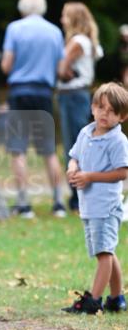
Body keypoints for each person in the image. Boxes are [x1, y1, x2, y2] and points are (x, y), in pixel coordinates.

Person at [0, 0, 67, 218]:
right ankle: (58, 202)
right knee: (48, 150)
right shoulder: (55, 32)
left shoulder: (14, 29)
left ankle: (24, 203)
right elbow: (60, 68)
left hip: (19, 92)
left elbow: (7, 66)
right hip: (44, 93)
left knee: (18, 149)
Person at [63, 82, 128, 314]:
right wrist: (73, 168)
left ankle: (94, 301)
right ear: (92, 108)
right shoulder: (86, 133)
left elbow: (122, 172)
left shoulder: (117, 141)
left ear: (122, 116)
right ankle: (116, 298)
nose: (104, 114)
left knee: (104, 253)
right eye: (101, 107)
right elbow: (74, 157)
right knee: (106, 251)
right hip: (89, 205)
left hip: (106, 206)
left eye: (112, 111)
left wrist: (90, 176)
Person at [57, 3, 103, 211]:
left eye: (65, 16)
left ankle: (78, 197)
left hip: (71, 96)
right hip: (81, 94)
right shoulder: (90, 42)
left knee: (74, 147)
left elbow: (61, 67)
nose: (62, 20)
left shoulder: (77, 42)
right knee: (82, 144)